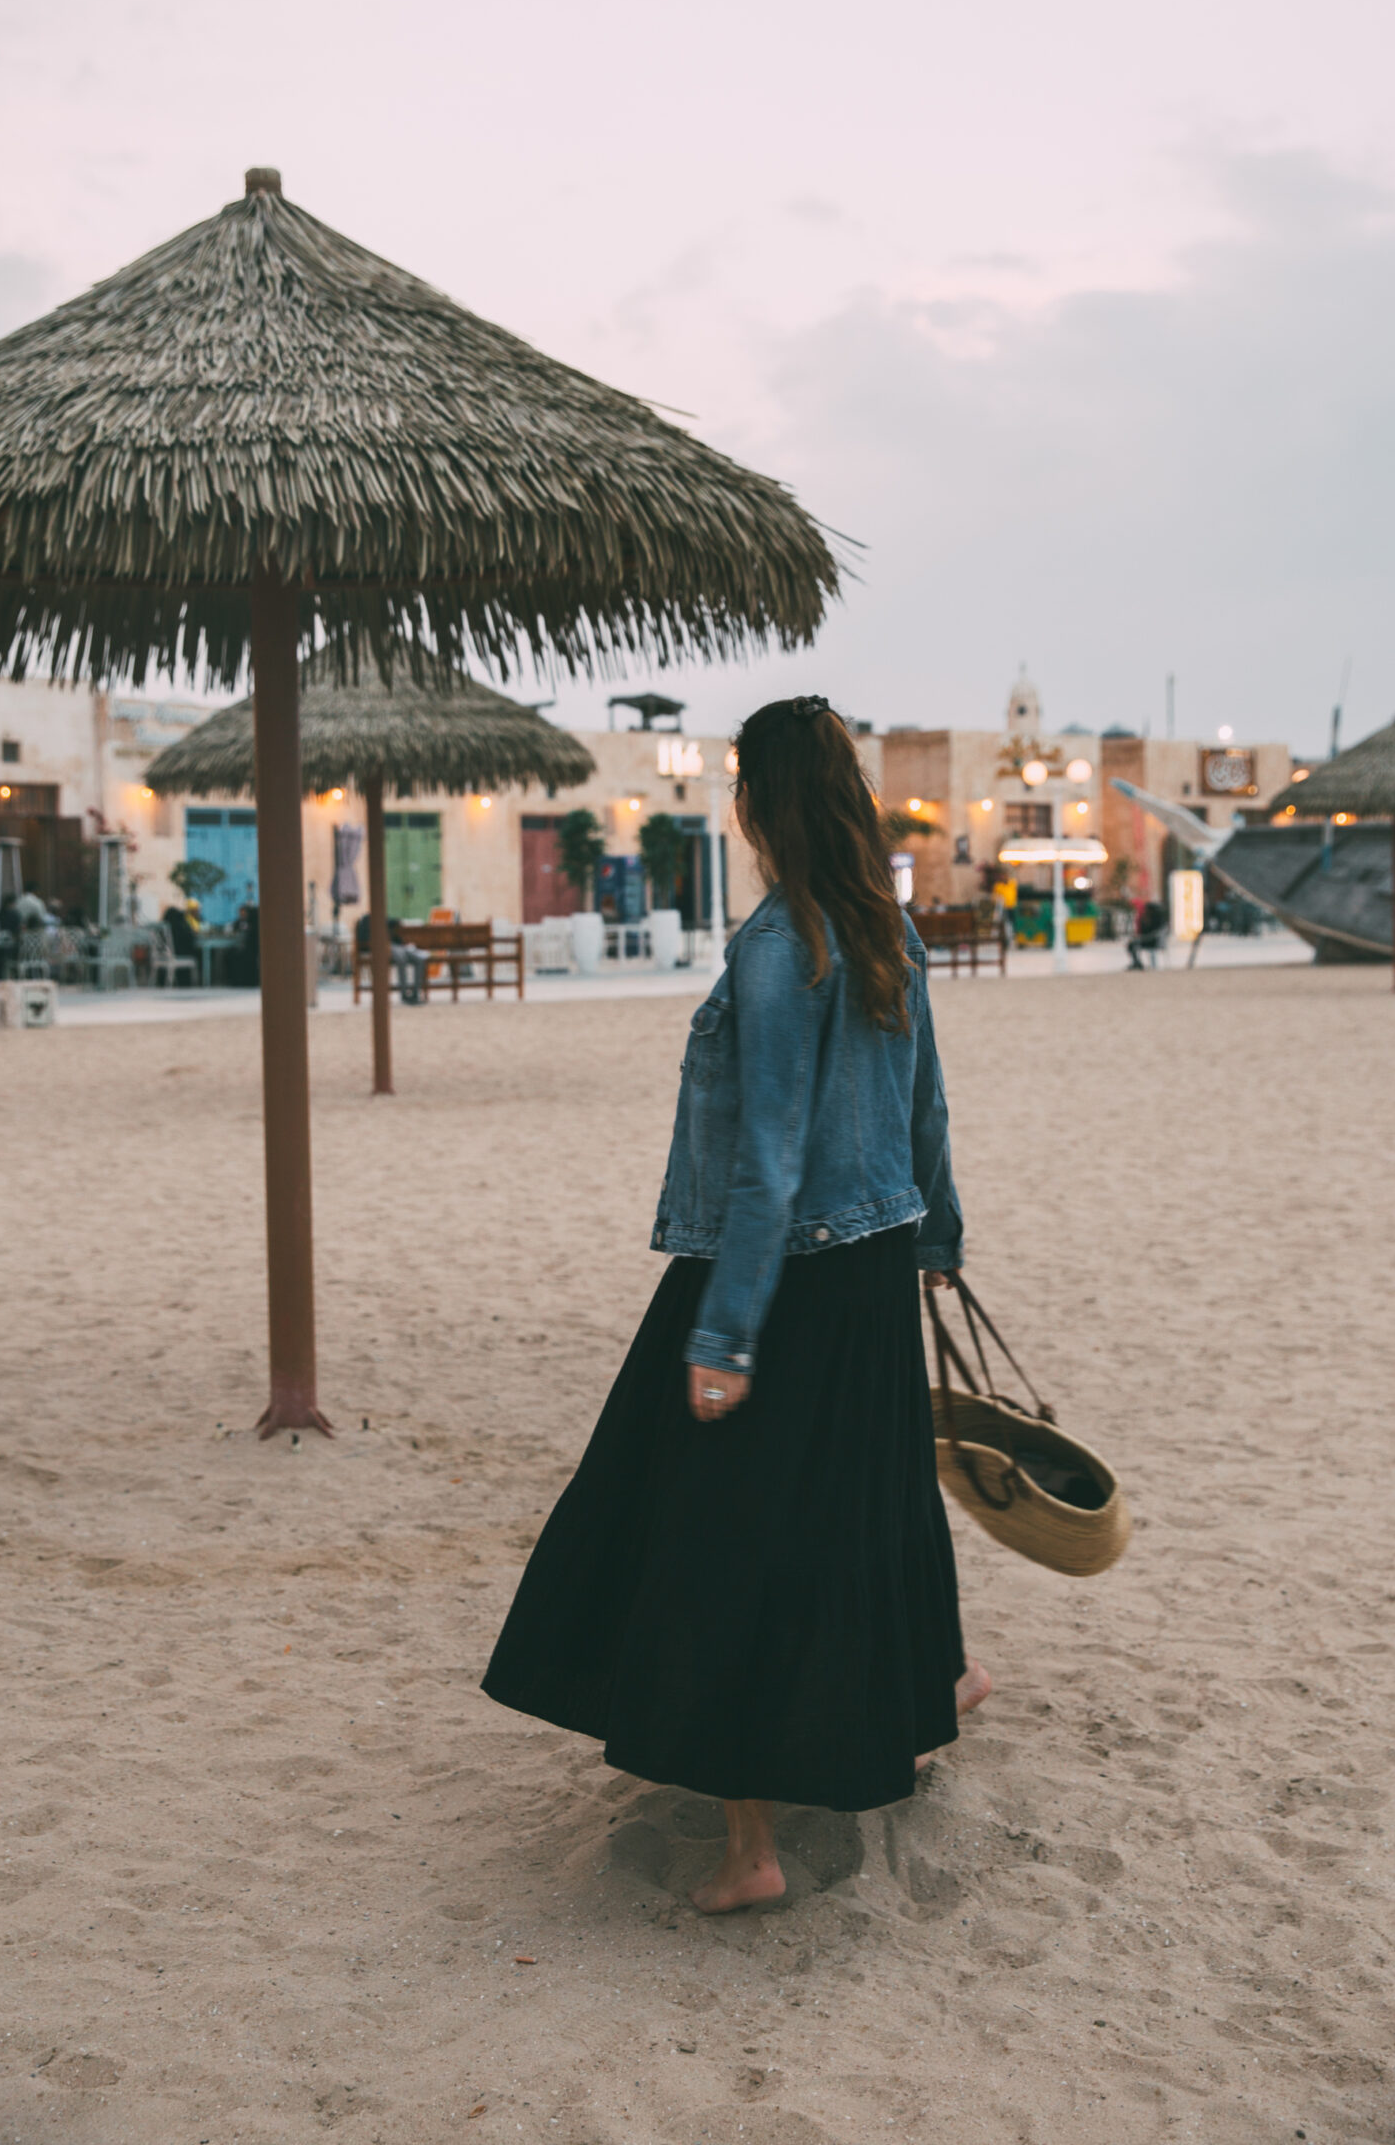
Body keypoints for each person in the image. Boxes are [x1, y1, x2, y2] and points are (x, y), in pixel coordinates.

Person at [483, 694, 990, 1914]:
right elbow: (927, 1111)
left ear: (758, 799)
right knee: (869, 1495)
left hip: (782, 1272)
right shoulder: (885, 929)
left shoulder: (777, 946)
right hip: (877, 1257)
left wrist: (723, 1333)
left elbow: (769, 1159)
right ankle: (926, 1699)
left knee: (722, 1532)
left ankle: (751, 1847)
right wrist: (940, 1237)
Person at [1127, 895, 1168, 970]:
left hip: (1152, 941)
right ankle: (1136, 963)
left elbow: (1150, 933)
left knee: (1132, 944)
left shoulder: (1153, 919)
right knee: (1131, 944)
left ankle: (1137, 963)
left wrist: (1140, 936)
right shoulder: (1146, 918)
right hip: (1149, 940)